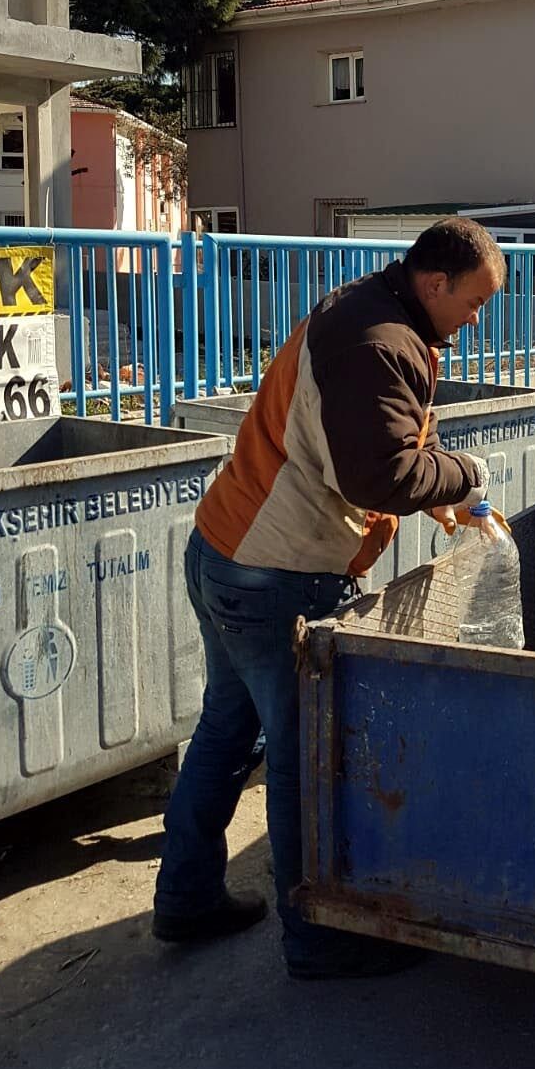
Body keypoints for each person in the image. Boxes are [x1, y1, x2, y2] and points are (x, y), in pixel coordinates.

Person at [153, 218, 506, 978]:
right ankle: (317, 937)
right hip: (278, 574)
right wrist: (465, 475)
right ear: (435, 283)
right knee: (303, 755)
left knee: (225, 730)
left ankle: (185, 898)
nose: (479, 319)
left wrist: (430, 486)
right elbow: (376, 476)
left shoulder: (368, 311)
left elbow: (364, 448)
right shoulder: (380, 343)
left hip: (225, 550)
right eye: (475, 302)